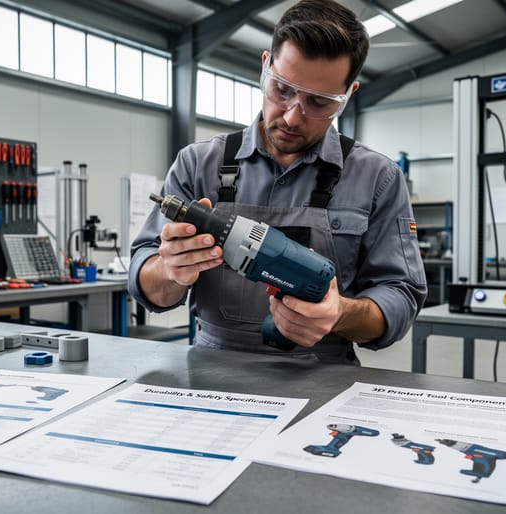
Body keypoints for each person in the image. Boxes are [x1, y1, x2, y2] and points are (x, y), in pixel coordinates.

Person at [128, 0, 426, 364]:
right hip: (209, 374)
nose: (292, 116)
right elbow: (145, 280)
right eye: (282, 89)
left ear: (348, 95)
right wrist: (170, 272)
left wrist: (338, 313)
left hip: (325, 377)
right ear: (265, 65)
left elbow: (401, 297)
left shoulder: (378, 178)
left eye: (319, 102)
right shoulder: (197, 164)